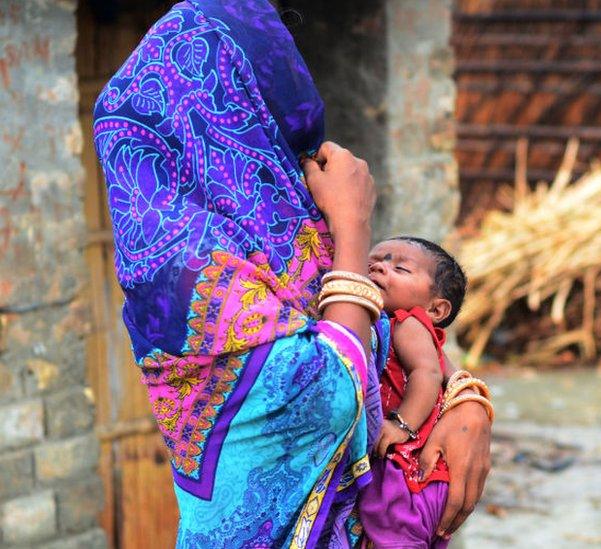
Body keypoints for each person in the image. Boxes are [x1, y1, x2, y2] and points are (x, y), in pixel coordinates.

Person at [92, 1, 491, 547]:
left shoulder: (281, 223)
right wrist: (353, 226)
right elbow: (324, 398)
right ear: (222, 103)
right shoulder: (177, 268)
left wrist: (466, 400)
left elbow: (393, 334)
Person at [356, 238, 490, 548]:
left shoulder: (410, 324)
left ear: (436, 308)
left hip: (413, 471)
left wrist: (402, 424)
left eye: (399, 268)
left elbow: (427, 374)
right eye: (372, 263)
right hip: (420, 479)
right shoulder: (387, 323)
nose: (378, 267)